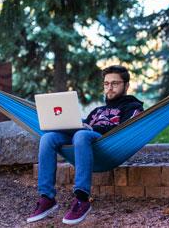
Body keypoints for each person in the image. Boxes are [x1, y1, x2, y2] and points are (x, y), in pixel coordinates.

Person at [27, 65, 144, 225]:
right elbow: (85, 126)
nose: (109, 88)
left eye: (115, 83)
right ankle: (47, 197)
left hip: (107, 143)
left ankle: (82, 199)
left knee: (81, 134)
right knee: (48, 138)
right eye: (106, 83)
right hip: (84, 139)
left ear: (126, 85)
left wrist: (91, 128)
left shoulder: (133, 107)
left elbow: (126, 130)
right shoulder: (97, 110)